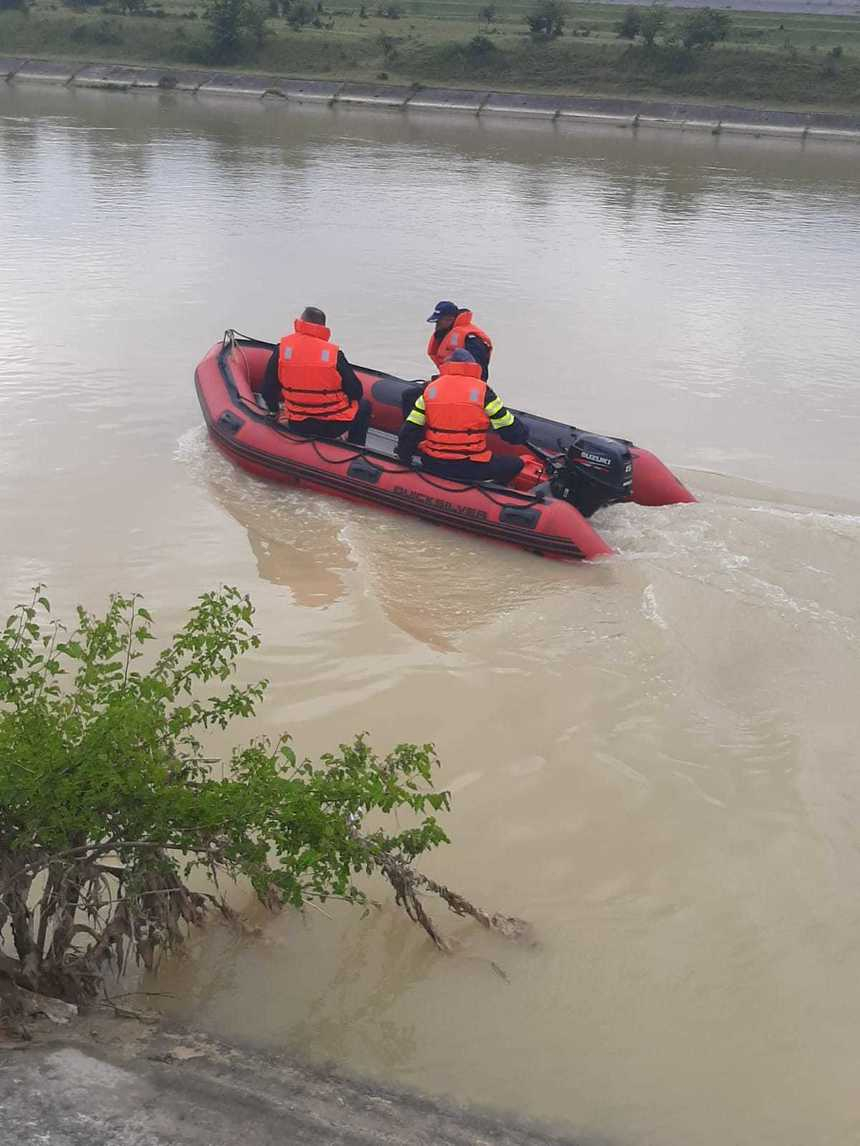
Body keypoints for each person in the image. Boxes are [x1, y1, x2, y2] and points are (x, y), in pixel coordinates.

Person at [396, 349, 528, 485]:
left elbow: (410, 429)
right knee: (515, 464)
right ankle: (491, 493)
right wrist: (523, 433)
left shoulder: (430, 390)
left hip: (433, 462)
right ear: (473, 366)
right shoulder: (483, 392)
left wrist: (404, 458)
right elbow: (511, 431)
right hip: (470, 466)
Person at [260, 307, 372, 446]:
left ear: (301, 322)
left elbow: (268, 389)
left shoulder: (282, 350)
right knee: (364, 405)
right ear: (323, 327)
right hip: (334, 426)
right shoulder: (334, 354)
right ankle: (355, 450)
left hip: (298, 424)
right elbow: (356, 391)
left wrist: (274, 411)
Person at [401, 301, 494, 421]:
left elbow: (478, 373)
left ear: (449, 319)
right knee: (413, 394)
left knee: (410, 396)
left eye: (438, 321)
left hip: (466, 389)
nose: (436, 326)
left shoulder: (471, 340)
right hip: (450, 383)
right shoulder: (447, 334)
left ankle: (412, 436)